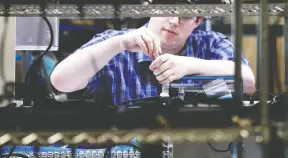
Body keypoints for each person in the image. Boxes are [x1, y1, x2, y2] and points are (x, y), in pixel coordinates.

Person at [50, 16, 256, 106]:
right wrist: (117, 45)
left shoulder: (210, 44)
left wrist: (190, 65)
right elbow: (61, 81)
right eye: (168, 8)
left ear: (198, 21)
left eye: (185, 15)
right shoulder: (115, 42)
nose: (174, 21)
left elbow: (247, 82)